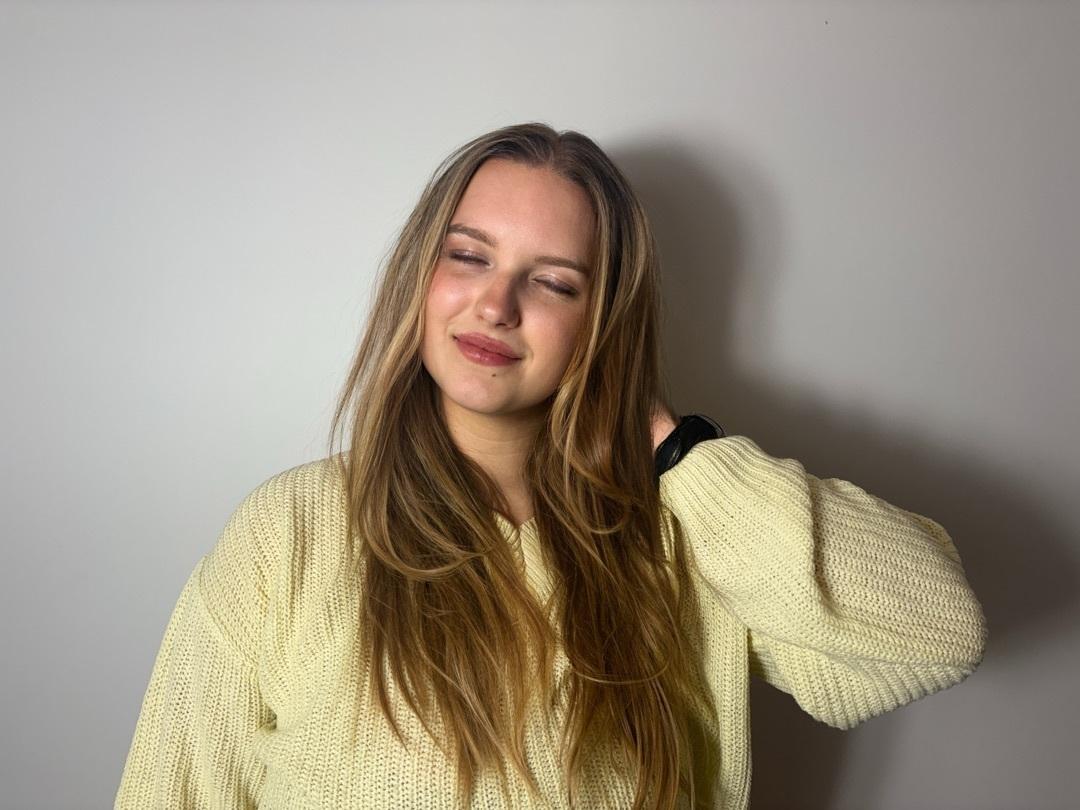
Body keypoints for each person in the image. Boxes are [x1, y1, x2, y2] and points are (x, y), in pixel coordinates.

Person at [115, 123, 988, 810]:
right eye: (469, 256)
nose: (497, 304)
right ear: (420, 275)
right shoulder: (290, 531)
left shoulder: (686, 538)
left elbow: (936, 635)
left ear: (602, 321)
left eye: (555, 283)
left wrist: (670, 445)